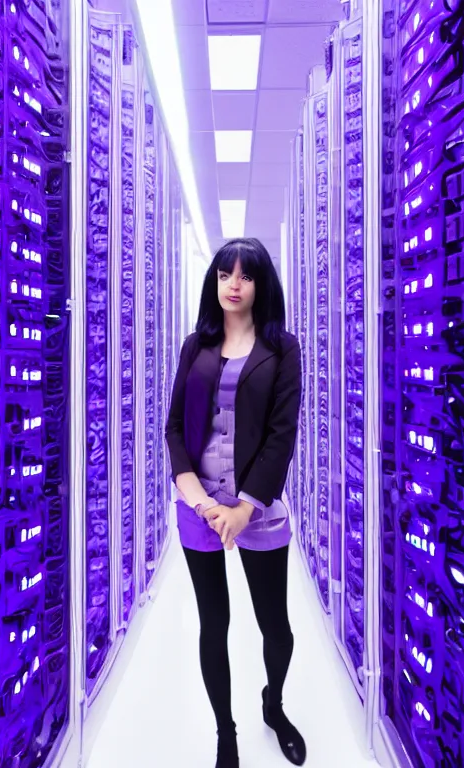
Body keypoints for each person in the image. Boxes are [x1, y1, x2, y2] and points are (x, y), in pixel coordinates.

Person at [166, 238, 305, 768]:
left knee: (276, 626)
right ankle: (227, 732)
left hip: (257, 505)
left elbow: (281, 433)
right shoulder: (195, 346)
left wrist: (244, 508)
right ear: (215, 281)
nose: (234, 283)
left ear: (260, 284)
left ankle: (274, 703)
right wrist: (201, 501)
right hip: (199, 501)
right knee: (213, 623)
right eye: (226, 273)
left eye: (245, 276)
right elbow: (175, 426)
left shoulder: (282, 348)